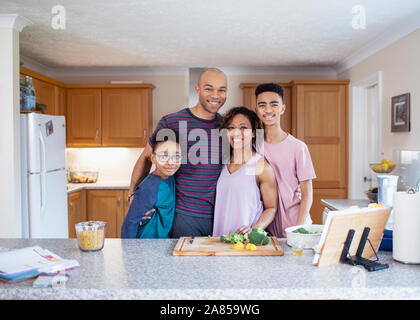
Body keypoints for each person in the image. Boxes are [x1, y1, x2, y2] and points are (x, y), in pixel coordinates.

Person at [127, 68, 227, 237]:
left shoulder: (227, 127)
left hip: (220, 216)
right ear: (197, 90)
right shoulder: (171, 121)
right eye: (209, 88)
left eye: (221, 90)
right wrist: (132, 196)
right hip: (183, 216)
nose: (215, 95)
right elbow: (146, 158)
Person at [254, 83, 316, 238]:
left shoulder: (298, 147)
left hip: (296, 225)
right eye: (262, 105)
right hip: (266, 229)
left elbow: (307, 194)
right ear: (256, 110)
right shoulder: (254, 146)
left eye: (274, 105)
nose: (268, 110)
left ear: (282, 108)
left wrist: (297, 230)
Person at [212, 107, 278, 236]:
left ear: (254, 133)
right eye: (231, 128)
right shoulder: (222, 163)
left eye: (243, 128)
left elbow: (271, 208)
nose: (236, 133)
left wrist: (254, 229)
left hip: (244, 243)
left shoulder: (261, 167)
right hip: (219, 241)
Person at [121, 136, 181, 238]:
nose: (171, 162)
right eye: (163, 156)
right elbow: (130, 223)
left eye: (176, 156)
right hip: (145, 245)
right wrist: (129, 252)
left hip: (161, 243)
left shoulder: (170, 177)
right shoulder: (149, 187)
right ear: (153, 158)